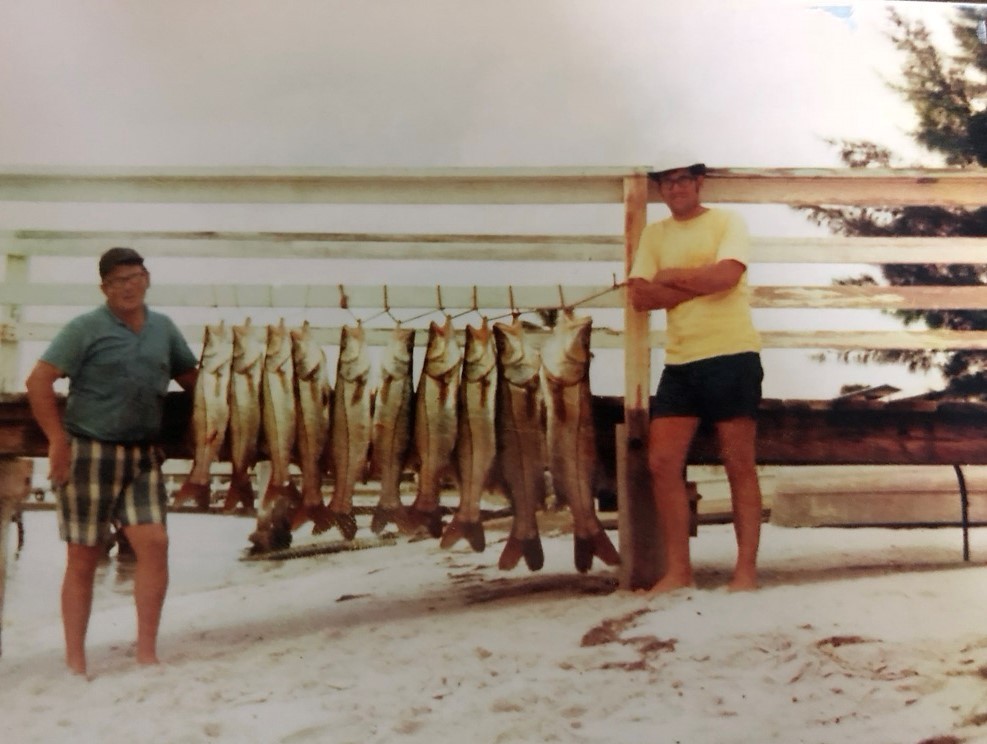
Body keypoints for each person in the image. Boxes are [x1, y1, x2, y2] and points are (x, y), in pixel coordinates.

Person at [25, 247, 198, 676]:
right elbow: (39, 381)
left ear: (147, 278)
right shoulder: (85, 328)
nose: (128, 286)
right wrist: (56, 441)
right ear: (105, 288)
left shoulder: (164, 329)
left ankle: (146, 653)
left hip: (143, 455)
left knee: (155, 545)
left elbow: (195, 380)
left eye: (135, 276)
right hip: (89, 452)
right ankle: (76, 660)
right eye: (118, 280)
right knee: (84, 555)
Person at [627, 161, 764, 593]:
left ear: (698, 183)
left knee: (738, 464)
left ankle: (745, 573)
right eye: (667, 182)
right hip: (680, 363)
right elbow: (640, 296)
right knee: (662, 462)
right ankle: (679, 572)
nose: (676, 188)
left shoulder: (727, 221)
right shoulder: (656, 234)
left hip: (732, 354)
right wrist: (695, 281)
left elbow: (727, 277)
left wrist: (671, 278)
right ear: (661, 190)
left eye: (684, 179)